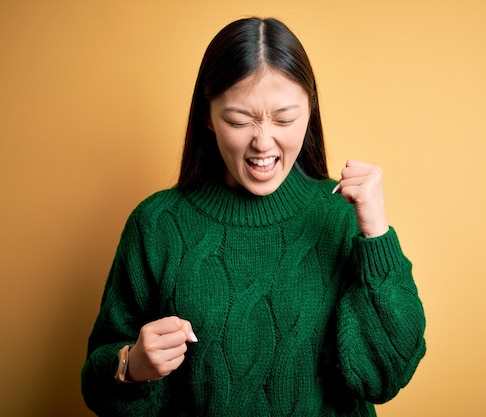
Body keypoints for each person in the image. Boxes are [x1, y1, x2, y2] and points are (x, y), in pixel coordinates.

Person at [81, 16, 426, 417]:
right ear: (207, 117)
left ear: (310, 112)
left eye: (284, 119)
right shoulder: (156, 225)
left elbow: (384, 377)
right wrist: (132, 366)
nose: (263, 141)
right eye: (239, 120)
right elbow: (95, 383)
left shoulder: (345, 217)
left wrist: (377, 234)